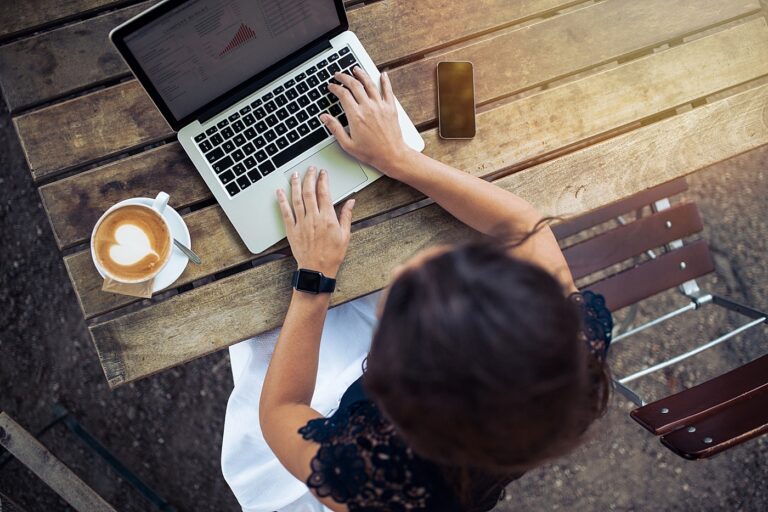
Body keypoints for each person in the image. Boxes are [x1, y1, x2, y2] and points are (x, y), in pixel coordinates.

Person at [221, 67, 612, 511]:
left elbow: (280, 412)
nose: (408, 265)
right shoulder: (567, 349)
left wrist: (314, 276)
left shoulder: (371, 478)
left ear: (394, 378)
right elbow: (523, 227)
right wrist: (400, 158)